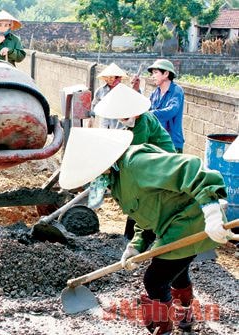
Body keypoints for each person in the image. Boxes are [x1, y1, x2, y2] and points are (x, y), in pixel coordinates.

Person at [59, 127, 236, 335]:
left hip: (191, 221)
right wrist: (136, 245)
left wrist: (212, 212)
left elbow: (191, 167)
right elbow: (146, 212)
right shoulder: (116, 179)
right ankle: (185, 316)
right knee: (177, 272)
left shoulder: (136, 164)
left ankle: (163, 329)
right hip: (172, 224)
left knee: (154, 279)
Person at [94, 83, 176, 241]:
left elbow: (134, 152)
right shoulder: (133, 122)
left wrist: (114, 163)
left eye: (124, 117)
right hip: (149, 159)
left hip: (160, 161)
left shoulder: (141, 122)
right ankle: (135, 233)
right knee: (137, 195)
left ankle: (141, 234)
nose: (122, 120)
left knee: (140, 194)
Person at [132, 59, 185, 152]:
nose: (153, 76)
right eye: (152, 73)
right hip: (156, 141)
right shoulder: (155, 92)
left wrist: (149, 114)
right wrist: (136, 90)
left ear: (166, 74)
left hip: (172, 142)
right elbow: (145, 107)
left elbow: (171, 110)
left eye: (155, 73)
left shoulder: (176, 91)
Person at [90, 63, 128, 129]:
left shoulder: (124, 91)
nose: (109, 80)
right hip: (104, 124)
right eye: (107, 77)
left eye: (111, 77)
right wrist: (92, 119)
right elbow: (94, 105)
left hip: (119, 126)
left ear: (117, 78)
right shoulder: (100, 90)